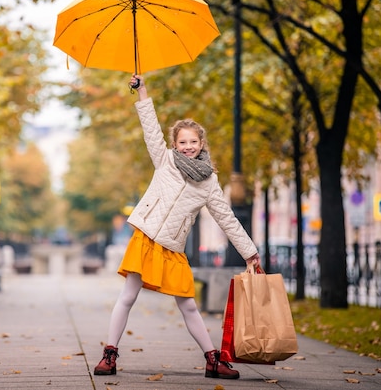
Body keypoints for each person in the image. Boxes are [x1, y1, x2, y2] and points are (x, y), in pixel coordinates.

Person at [93, 74, 261, 380]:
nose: (187, 147)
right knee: (128, 297)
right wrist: (141, 91)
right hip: (146, 238)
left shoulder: (210, 182)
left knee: (188, 306)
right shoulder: (165, 160)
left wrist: (250, 252)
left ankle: (213, 360)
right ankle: (110, 355)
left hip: (173, 247)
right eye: (182, 142)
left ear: (201, 144)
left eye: (193, 142)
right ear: (174, 144)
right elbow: (150, 129)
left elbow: (227, 218)